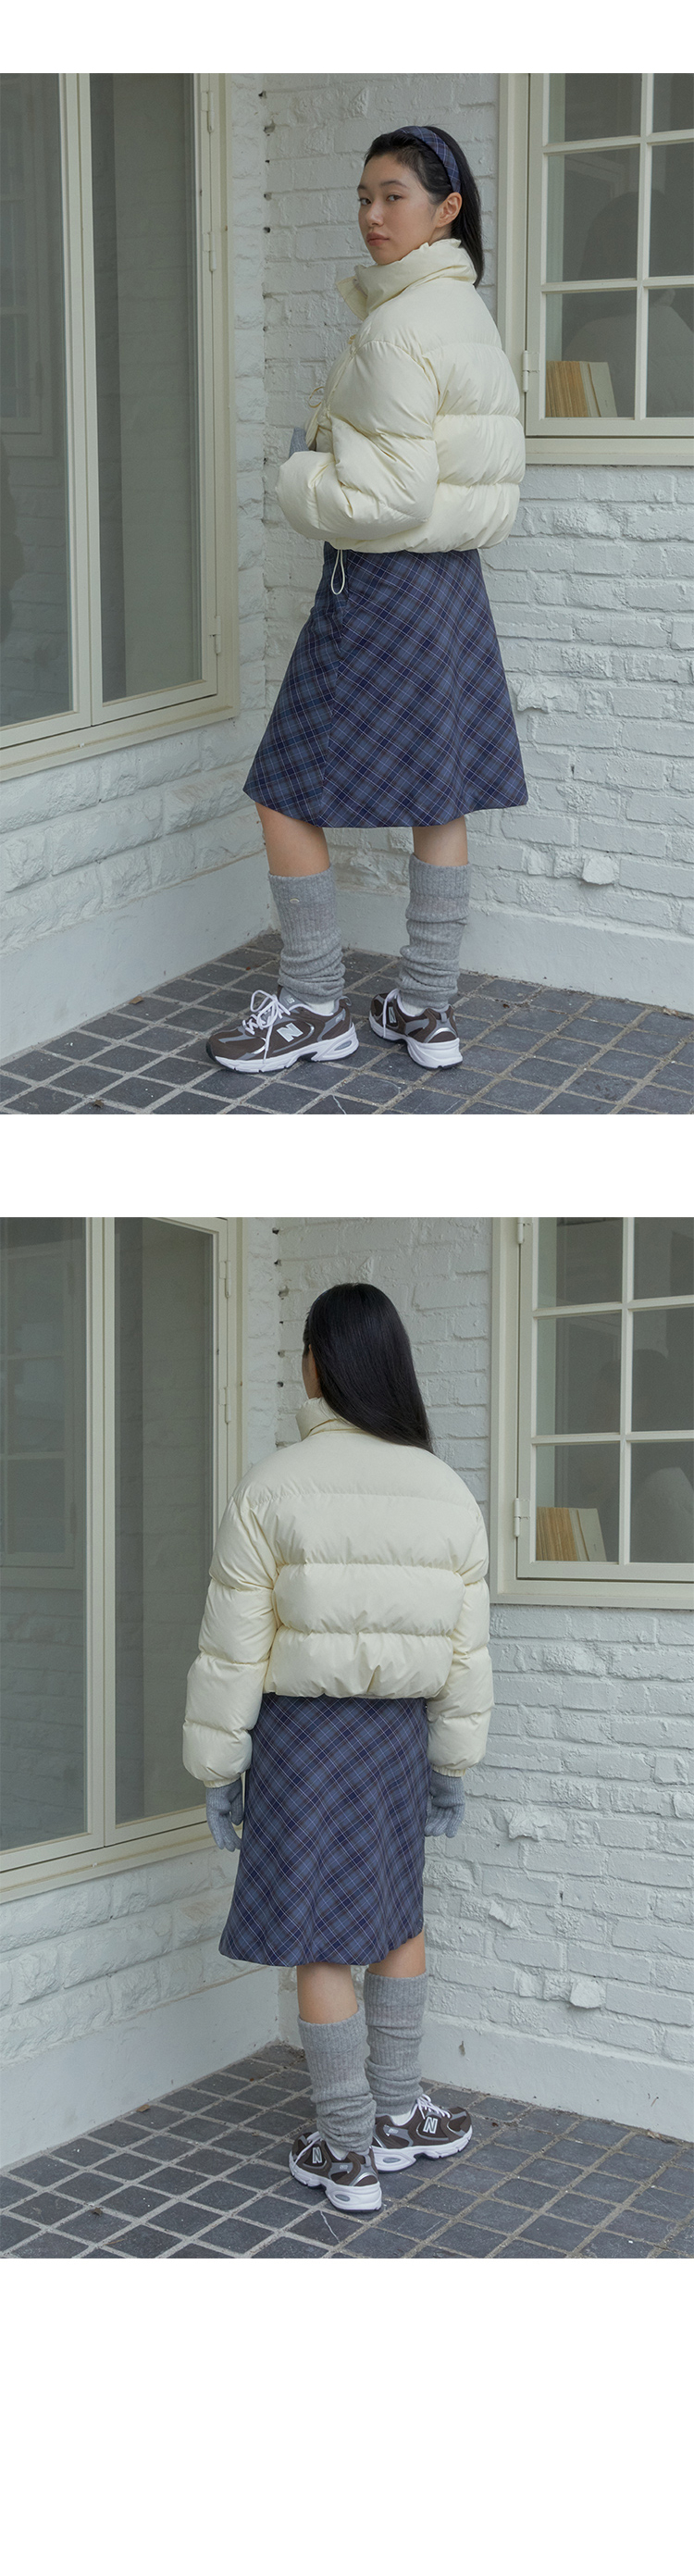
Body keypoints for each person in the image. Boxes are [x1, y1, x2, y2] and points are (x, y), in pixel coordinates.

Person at [206, 123, 527, 1078]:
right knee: (441, 792)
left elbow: (385, 499)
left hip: (382, 584)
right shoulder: (464, 311)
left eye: (393, 196)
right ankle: (426, 1004)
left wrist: (298, 473)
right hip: (451, 586)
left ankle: (314, 1006)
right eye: (363, 196)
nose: (372, 215)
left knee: (282, 789)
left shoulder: (397, 326)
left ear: (446, 208)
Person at [182, 1284, 493, 2218]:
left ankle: (349, 2148)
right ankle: (397, 2114)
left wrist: (219, 1769)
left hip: (302, 1737)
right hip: (398, 1736)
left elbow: (232, 1648)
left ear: (320, 1363)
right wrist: (451, 1764)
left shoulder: (272, 1486)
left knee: (320, 1933)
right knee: (398, 1916)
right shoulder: (446, 1490)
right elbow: (466, 1655)